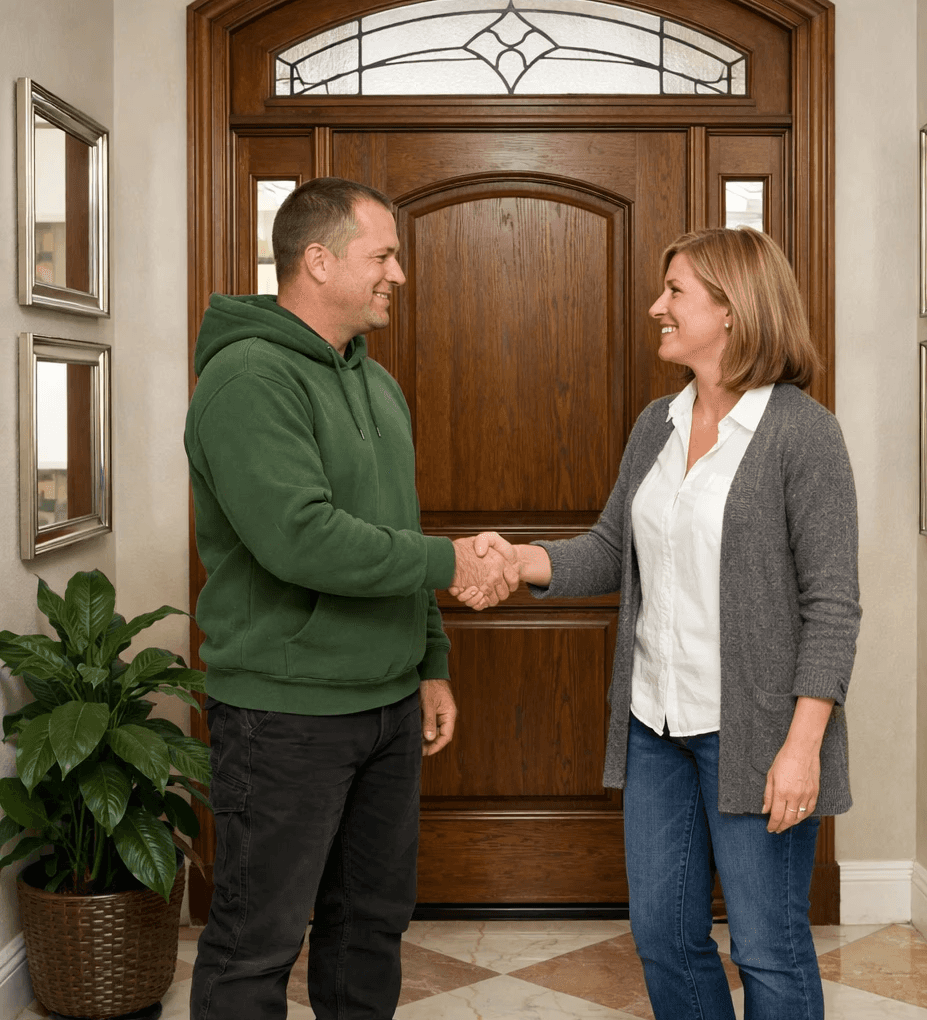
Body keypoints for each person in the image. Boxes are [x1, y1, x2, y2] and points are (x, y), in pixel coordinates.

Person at [454, 226, 860, 1020]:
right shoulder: (658, 424)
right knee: (664, 938)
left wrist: (802, 748)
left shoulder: (802, 434)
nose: (656, 308)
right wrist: (517, 560)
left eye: (675, 292)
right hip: (654, 728)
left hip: (760, 737)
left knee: (769, 950)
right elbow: (613, 551)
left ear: (734, 311)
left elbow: (833, 605)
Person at [185, 177, 517, 1020]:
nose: (399, 275)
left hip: (387, 704)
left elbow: (397, 533)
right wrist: (452, 560)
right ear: (318, 259)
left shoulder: (377, 384)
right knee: (255, 942)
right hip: (283, 717)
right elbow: (302, 539)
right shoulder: (247, 380)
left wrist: (430, 662)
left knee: (369, 927)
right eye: (384, 256)